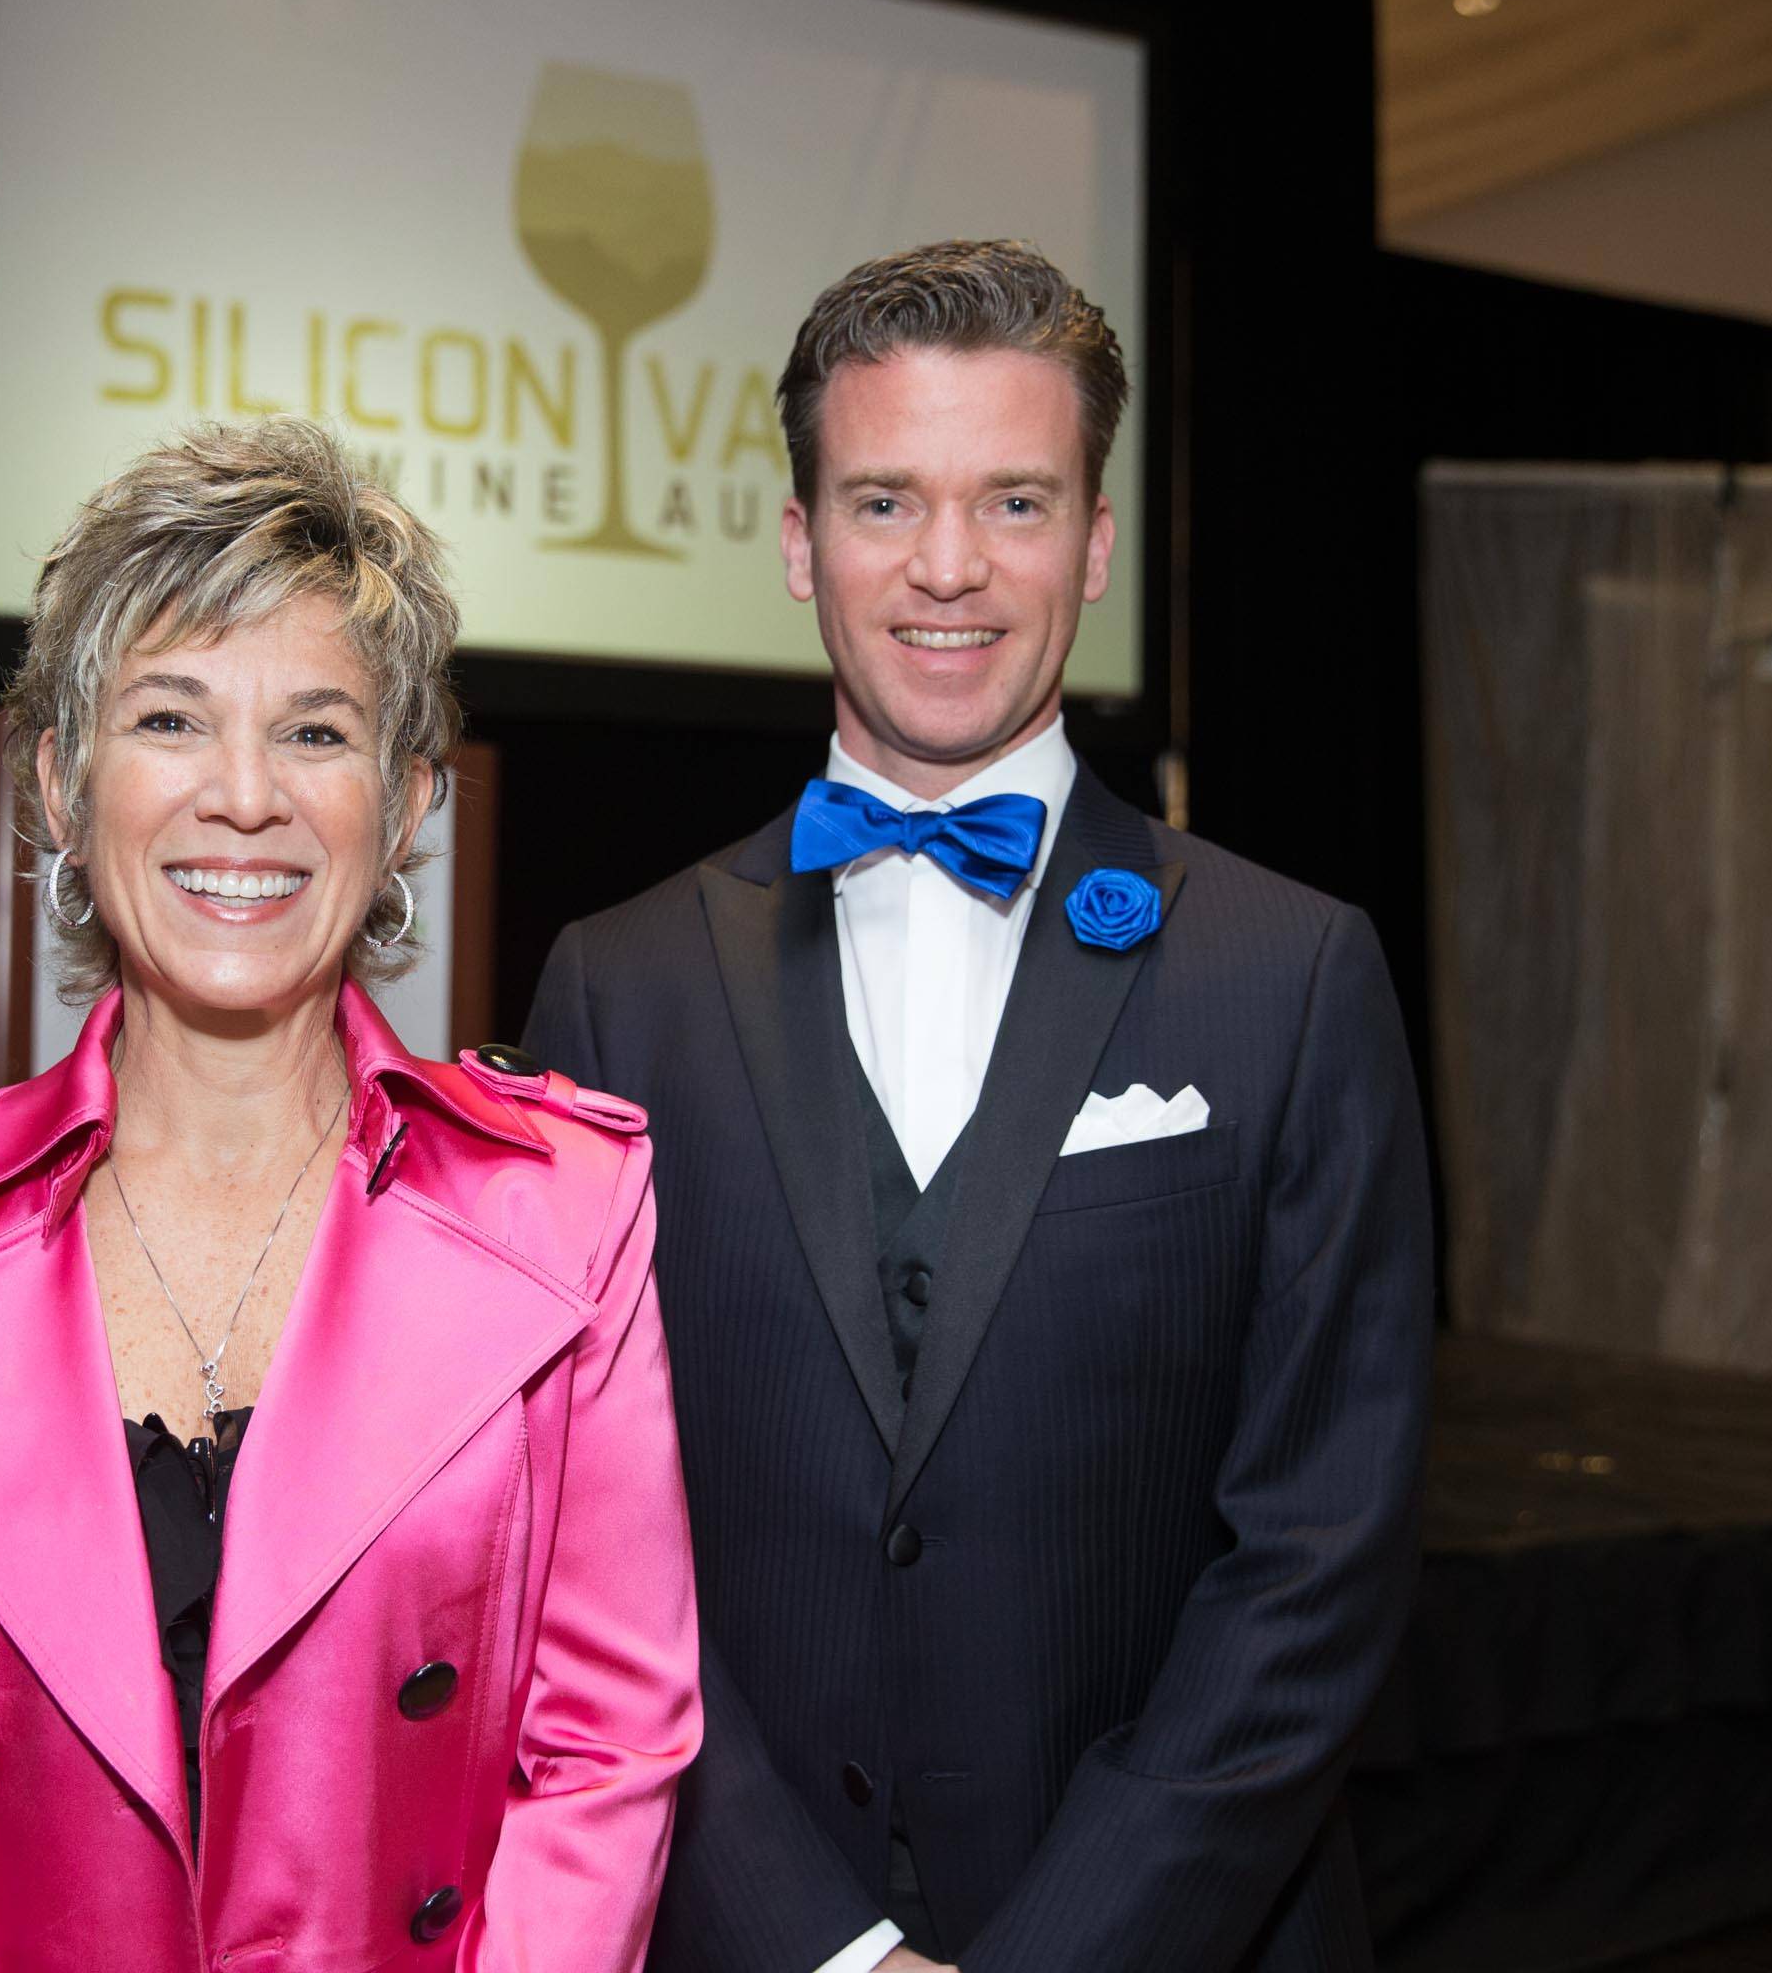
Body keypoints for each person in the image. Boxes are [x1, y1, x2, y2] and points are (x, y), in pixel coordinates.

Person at [524, 241, 1433, 1973]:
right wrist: (822, 1945)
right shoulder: (614, 988)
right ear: (799, 544)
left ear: (1095, 544)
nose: (949, 567)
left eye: (1015, 501)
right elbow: (579, 1541)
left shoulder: (1295, 973)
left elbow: (1321, 1552)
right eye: (885, 501)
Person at [0, 418, 700, 1970]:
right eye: (171, 717)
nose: (244, 796)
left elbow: (602, 1761)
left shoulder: (563, 1220)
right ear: (60, 781)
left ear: (407, 803)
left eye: (315, 732)